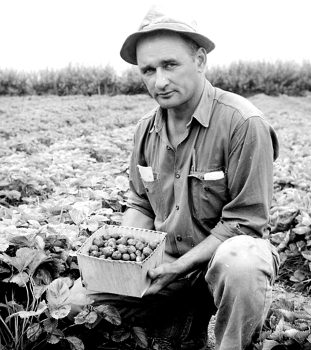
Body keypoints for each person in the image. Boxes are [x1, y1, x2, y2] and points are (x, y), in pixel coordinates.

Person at [71, 5, 280, 350]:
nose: (160, 81)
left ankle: (233, 342)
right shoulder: (145, 130)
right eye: (148, 70)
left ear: (199, 60)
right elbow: (139, 203)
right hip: (165, 264)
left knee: (241, 264)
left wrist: (179, 266)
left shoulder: (244, 124)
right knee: (77, 301)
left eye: (170, 65)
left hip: (217, 263)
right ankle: (180, 321)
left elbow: (246, 222)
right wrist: (126, 259)